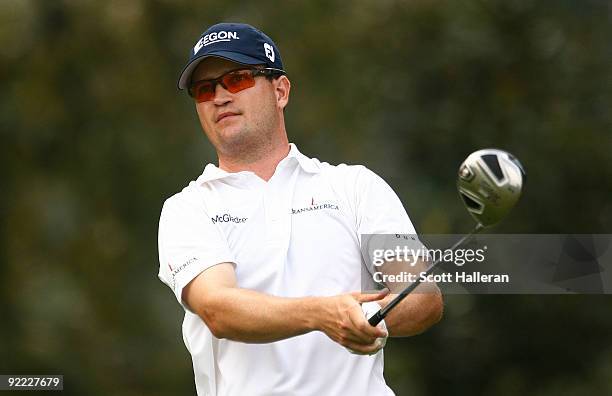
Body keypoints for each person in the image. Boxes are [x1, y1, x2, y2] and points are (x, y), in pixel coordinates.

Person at [158, 22, 443, 396]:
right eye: (204, 89)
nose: (220, 97)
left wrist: (375, 318)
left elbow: (424, 296)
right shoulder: (188, 209)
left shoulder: (354, 187)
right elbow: (218, 308)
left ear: (280, 91)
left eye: (238, 79)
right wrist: (321, 314)